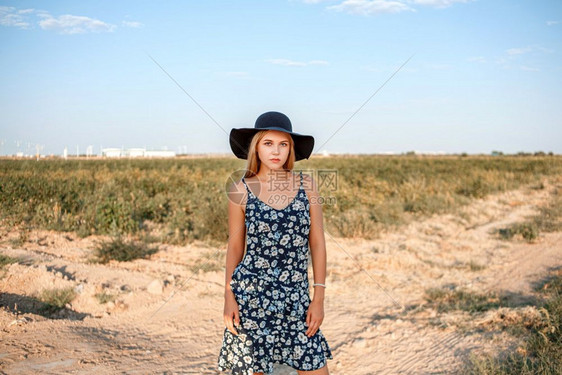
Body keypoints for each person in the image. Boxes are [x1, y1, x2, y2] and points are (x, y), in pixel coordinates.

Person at [218, 111, 333, 375]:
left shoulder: (307, 185)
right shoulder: (240, 189)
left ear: (290, 149)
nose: (276, 151)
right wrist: (229, 296)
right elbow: (235, 248)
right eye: (268, 143)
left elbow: (317, 243)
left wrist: (319, 298)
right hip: (252, 297)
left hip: (297, 298)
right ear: (256, 147)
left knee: (316, 368)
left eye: (283, 144)